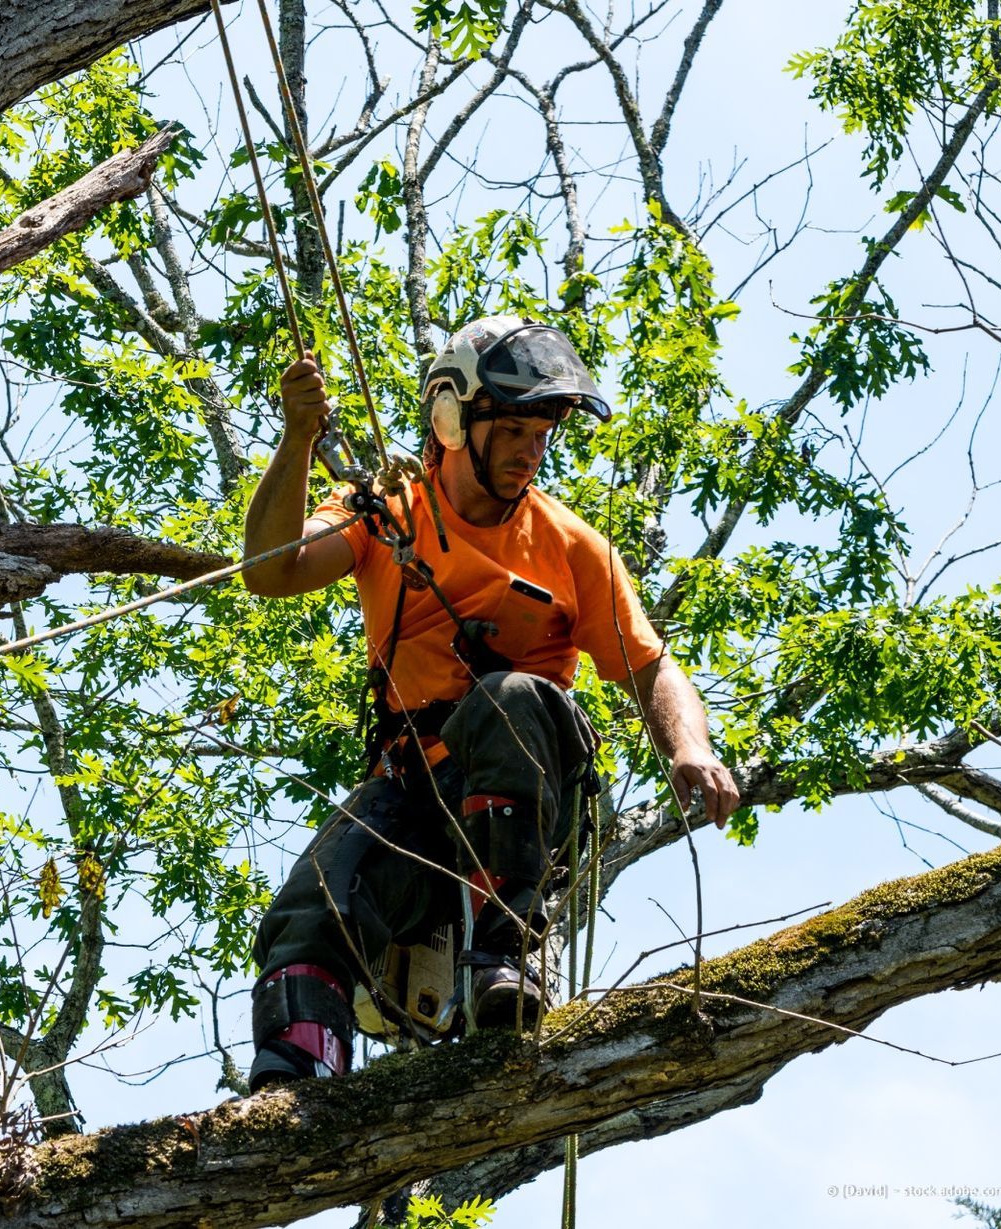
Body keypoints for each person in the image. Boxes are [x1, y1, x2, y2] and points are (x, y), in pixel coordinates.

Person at [239, 315, 738, 1091]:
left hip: (520, 811)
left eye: (542, 431)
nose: (532, 449)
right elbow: (273, 570)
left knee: (505, 699)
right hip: (416, 792)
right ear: (450, 417)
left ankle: (506, 954)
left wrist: (689, 747)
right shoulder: (386, 509)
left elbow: (651, 667)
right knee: (314, 903)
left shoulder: (571, 546)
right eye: (512, 428)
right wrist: (298, 439)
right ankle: (295, 1080)